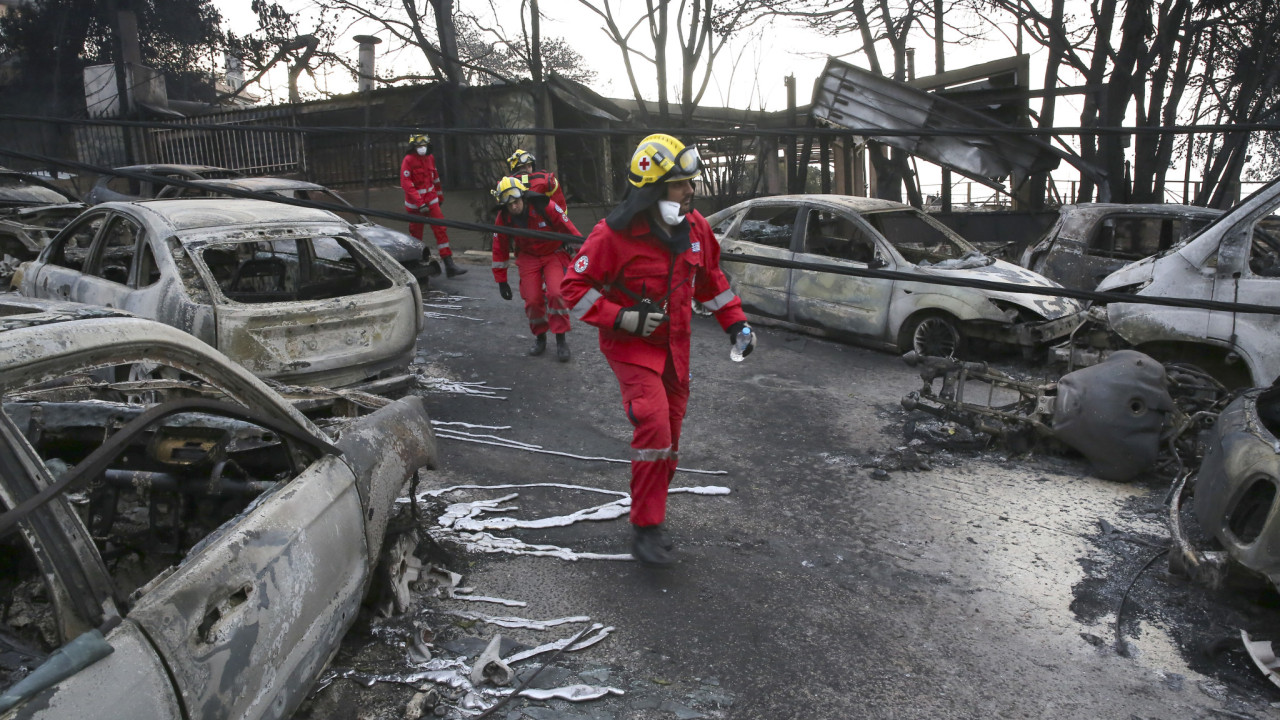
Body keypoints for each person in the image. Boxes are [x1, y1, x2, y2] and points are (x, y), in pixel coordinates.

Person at [560, 133, 756, 568]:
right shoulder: (611, 236)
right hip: (631, 350)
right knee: (653, 428)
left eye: (691, 182)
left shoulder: (697, 229)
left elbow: (711, 284)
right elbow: (573, 288)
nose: (690, 191)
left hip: (676, 350)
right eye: (680, 184)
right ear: (652, 188)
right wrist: (622, 317)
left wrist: (736, 323)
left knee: (668, 442)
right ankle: (645, 528)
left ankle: (653, 514)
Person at [491, 176, 580, 361]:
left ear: (523, 197)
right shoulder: (504, 218)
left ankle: (561, 339)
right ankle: (540, 337)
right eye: (510, 205)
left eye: (516, 202)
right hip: (528, 256)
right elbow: (499, 247)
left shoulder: (544, 206)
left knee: (556, 293)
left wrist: (586, 260)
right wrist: (501, 280)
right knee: (532, 300)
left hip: (552, 252)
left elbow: (570, 230)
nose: (514, 207)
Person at [402, 134, 466, 277]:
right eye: (419, 146)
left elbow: (435, 178)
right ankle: (416, 264)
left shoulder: (430, 158)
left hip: (431, 201)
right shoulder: (408, 160)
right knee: (416, 235)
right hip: (415, 206)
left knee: (440, 229)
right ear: (413, 147)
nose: (422, 149)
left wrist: (439, 196)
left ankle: (449, 264)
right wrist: (420, 203)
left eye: (423, 146)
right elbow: (406, 184)